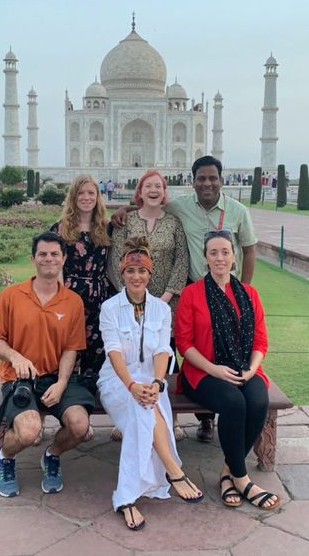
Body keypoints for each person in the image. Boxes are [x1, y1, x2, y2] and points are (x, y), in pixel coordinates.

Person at [111, 155, 257, 442]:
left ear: (221, 179)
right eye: (201, 178)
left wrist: (245, 292)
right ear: (192, 181)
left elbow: (249, 250)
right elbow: (151, 205)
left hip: (223, 292)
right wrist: (126, 207)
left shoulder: (238, 211)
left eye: (212, 177)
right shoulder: (181, 207)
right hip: (194, 290)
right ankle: (160, 413)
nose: (207, 183)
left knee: (220, 351)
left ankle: (213, 415)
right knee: (177, 351)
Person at [98, 237, 203, 531]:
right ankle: (173, 469)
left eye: (142, 271)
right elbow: (113, 351)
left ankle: (126, 497)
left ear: (150, 274)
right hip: (116, 381)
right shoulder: (110, 308)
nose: (136, 276)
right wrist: (131, 385)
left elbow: (161, 351)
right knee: (142, 409)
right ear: (122, 273)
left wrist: (157, 383)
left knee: (143, 413)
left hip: (151, 381)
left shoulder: (161, 309)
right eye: (130, 271)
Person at [174, 230, 281, 511]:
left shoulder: (249, 294)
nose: (220, 258)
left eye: (225, 252)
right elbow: (184, 343)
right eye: (213, 253)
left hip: (245, 368)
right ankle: (243, 479)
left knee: (258, 400)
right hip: (203, 372)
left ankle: (226, 472)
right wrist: (216, 370)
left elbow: (260, 340)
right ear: (205, 258)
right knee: (234, 403)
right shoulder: (192, 293)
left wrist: (251, 370)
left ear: (234, 256)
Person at [0, 231, 95, 498]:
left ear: (64, 258)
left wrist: (61, 383)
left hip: (56, 378)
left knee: (80, 426)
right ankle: (4, 457)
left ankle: (52, 454)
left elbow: (71, 348)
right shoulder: (11, 296)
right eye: (43, 254)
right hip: (19, 379)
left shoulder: (72, 301)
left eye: (55, 254)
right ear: (33, 259)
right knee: (29, 430)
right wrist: (16, 357)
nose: (49, 259)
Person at [110, 169, 189, 440]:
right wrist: (129, 294)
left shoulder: (174, 223)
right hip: (130, 301)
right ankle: (124, 417)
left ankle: (171, 418)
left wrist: (164, 298)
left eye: (158, 186)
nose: (153, 190)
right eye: (148, 186)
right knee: (129, 355)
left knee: (164, 357)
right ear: (140, 191)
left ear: (164, 192)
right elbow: (114, 259)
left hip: (167, 302)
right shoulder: (127, 220)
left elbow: (182, 261)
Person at [50, 174, 112, 381]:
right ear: (73, 197)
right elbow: (54, 264)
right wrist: (59, 297)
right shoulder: (61, 228)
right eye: (81, 193)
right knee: (68, 345)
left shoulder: (106, 227)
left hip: (99, 297)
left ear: (97, 197)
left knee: (96, 350)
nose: (86, 198)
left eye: (91, 193)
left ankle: (88, 394)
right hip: (70, 293)